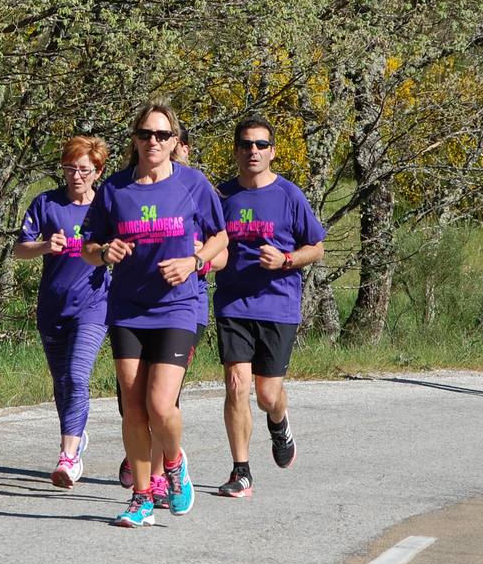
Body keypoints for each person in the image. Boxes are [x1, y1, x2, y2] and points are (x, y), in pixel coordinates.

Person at [83, 102, 228, 528]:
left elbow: (221, 237)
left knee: (161, 404)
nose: (153, 142)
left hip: (179, 306)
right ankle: (141, 496)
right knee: (133, 407)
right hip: (128, 307)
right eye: (145, 134)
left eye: (162, 136)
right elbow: (89, 246)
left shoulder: (193, 185)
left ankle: (175, 462)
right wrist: (104, 252)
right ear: (135, 138)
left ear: (173, 142)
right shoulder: (115, 190)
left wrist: (195, 261)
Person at [212, 116, 326, 497]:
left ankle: (279, 423)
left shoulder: (289, 195)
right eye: (246, 145)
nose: (253, 151)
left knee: (266, 395)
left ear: (273, 151)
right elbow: (209, 243)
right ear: (236, 151)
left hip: (278, 305)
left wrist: (286, 261)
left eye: (261, 145)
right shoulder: (222, 197)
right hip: (233, 304)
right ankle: (241, 471)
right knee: (235, 384)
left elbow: (317, 246)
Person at [14, 136, 111, 488]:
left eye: (84, 169)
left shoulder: (106, 205)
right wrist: (43, 245)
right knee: (61, 384)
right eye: (69, 168)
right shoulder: (46, 203)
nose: (75, 176)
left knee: (77, 375)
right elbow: (18, 249)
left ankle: (68, 456)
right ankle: (75, 436)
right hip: (53, 306)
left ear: (97, 171)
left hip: (94, 304)